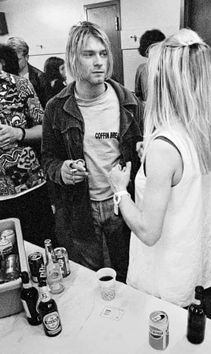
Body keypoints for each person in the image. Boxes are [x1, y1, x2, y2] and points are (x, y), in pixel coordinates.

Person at [108, 28, 211, 307]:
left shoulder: (165, 147)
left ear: (161, 83)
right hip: (189, 265)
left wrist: (120, 191)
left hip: (163, 277)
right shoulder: (203, 130)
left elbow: (148, 231)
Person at [41, 21, 143, 283]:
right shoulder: (56, 107)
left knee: (126, 271)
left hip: (123, 203)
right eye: (89, 54)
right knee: (86, 275)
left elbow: (143, 155)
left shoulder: (129, 102)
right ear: (74, 59)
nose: (99, 61)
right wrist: (62, 170)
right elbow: (48, 158)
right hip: (80, 206)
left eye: (103, 53)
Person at [0, 44, 55, 248]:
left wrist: (18, 133)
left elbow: (45, 130)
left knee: (44, 247)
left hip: (31, 186)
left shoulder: (20, 85)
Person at [7, 37, 46, 108]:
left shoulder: (40, 77)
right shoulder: (6, 77)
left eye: (17, 60)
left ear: (27, 57)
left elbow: (47, 106)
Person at [135, 29, 165, 102]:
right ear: (146, 52)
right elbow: (138, 94)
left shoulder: (170, 69)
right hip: (147, 108)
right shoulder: (141, 69)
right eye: (150, 50)